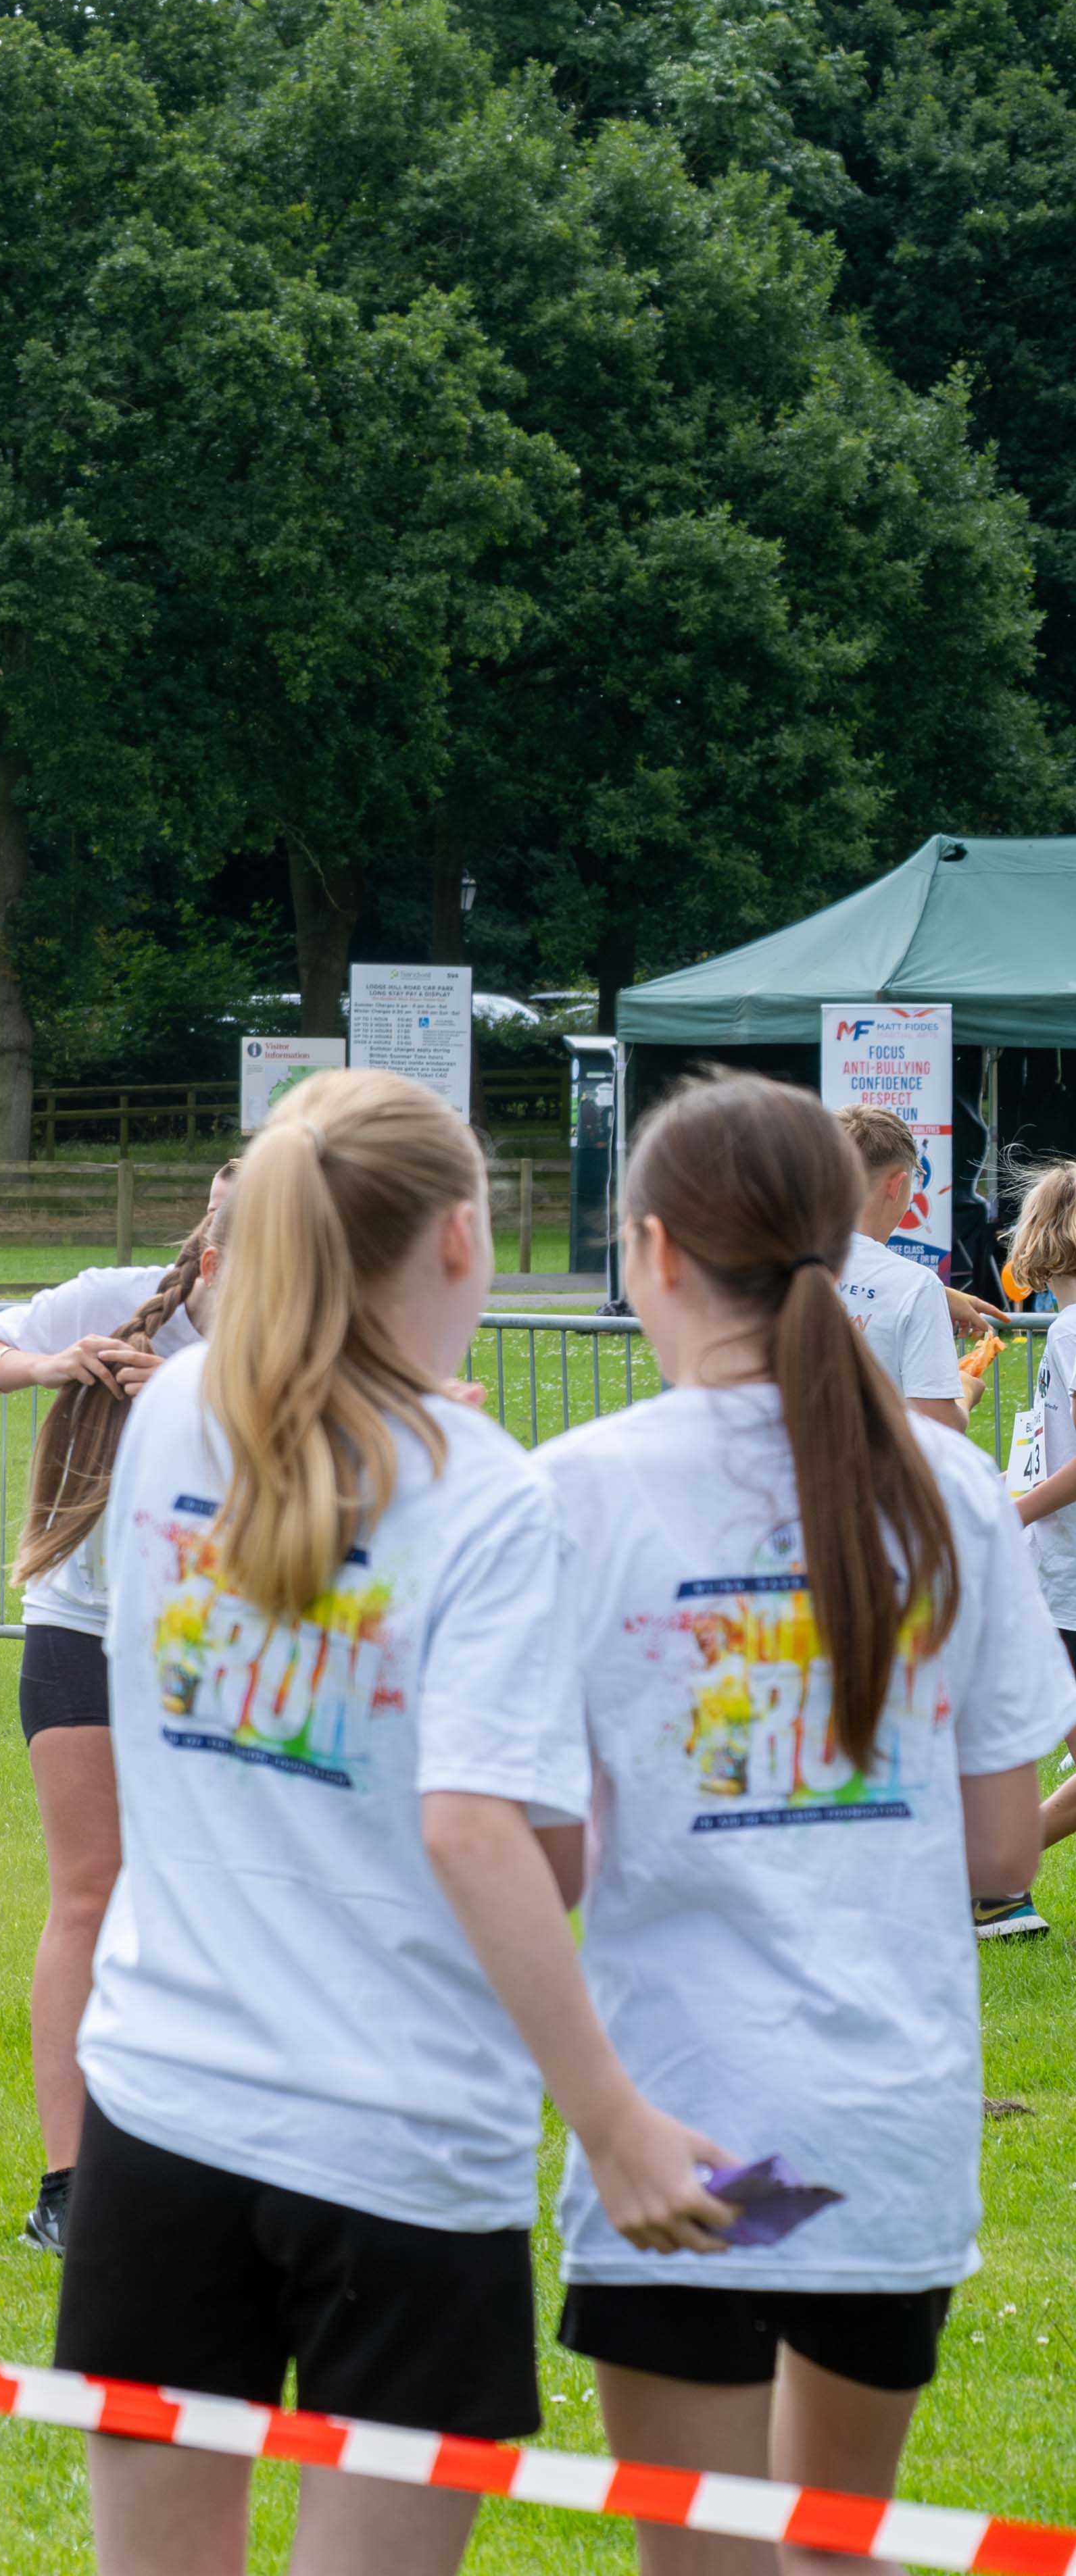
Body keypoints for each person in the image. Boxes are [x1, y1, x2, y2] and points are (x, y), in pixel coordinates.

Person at [65, 1069, 730, 2576]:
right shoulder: (484, 1495)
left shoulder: (172, 1414)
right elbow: (483, 1834)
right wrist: (615, 2121)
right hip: (403, 2136)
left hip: (162, 2108)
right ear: (455, 1242)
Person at [531, 1074, 1074, 2573]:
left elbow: (539, 1851)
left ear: (651, 1252)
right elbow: (1002, 1854)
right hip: (883, 2118)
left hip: (675, 2113)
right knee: (837, 2550)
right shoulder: (951, 1490)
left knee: (704, 2559)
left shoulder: (574, 1492)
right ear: (855, 1240)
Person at [0, 1168, 233, 2261]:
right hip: (80, 1626)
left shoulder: (293, 1347)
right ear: (208, 1263)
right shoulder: (114, 1292)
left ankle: (197, 2160)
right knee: (89, 1890)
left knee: (207, 1896)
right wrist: (54, 1363)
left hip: (208, 1641)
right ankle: (68, 2184)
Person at [977, 1161, 1076, 1938]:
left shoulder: (1073, 1328)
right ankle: (982, 1884)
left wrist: (1014, 1513)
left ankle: (980, 1883)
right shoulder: (1067, 1329)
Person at [830, 1105, 967, 1433]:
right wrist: (968, 1390)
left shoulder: (768, 1262)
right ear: (897, 1185)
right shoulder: (915, 1286)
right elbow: (938, 1424)